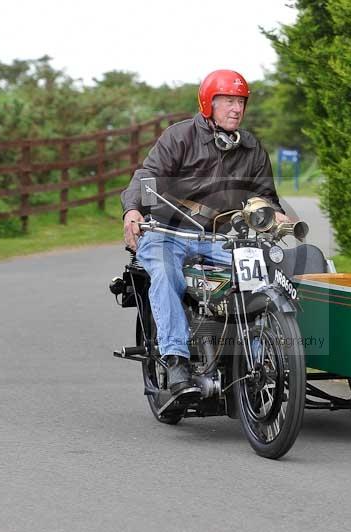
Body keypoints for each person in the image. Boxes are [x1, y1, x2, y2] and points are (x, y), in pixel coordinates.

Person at [121, 69, 288, 395]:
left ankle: (260, 360)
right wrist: (133, 210)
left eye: (240, 102)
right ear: (208, 103)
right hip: (169, 232)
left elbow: (265, 197)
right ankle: (177, 360)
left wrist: (276, 217)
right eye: (227, 101)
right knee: (167, 273)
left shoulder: (251, 148)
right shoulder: (179, 137)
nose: (236, 109)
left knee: (262, 271)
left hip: (222, 238)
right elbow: (147, 174)